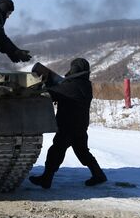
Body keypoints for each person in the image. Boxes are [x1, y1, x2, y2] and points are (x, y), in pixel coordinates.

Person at [29, 58, 107, 189]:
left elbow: (51, 94)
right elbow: (62, 90)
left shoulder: (71, 86)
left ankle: (46, 179)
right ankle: (98, 174)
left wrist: (42, 85)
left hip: (68, 125)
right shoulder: (85, 85)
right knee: (82, 151)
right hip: (81, 125)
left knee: (56, 151)